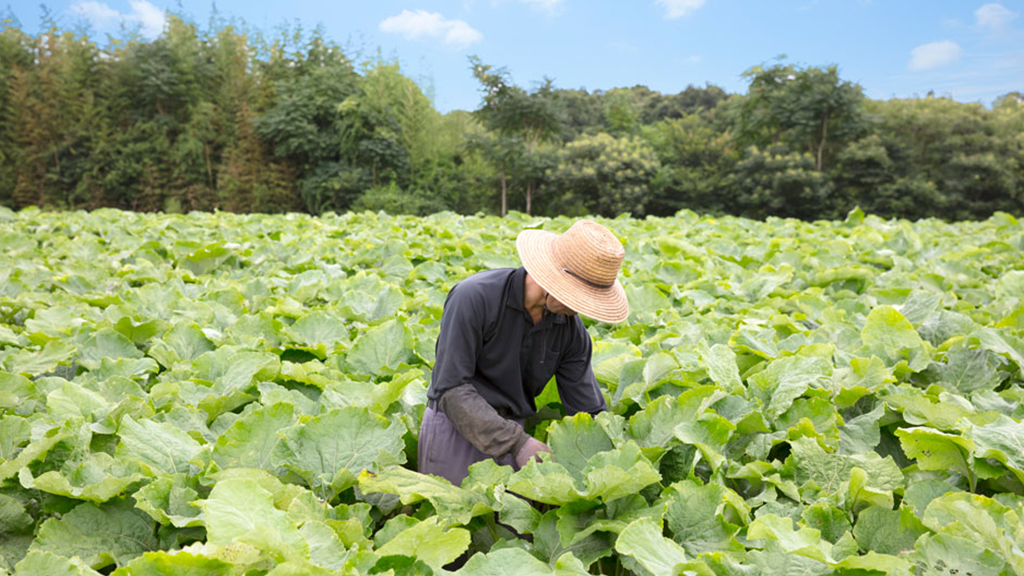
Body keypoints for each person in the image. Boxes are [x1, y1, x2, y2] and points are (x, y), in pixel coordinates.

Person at [418, 219, 629, 486]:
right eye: (577, 298)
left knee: (514, 526)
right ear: (551, 280)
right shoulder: (475, 298)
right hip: (455, 425)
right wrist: (517, 443)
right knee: (454, 519)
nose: (580, 309)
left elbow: (587, 408)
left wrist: (616, 453)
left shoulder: (572, 332)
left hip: (515, 428)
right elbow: (451, 389)